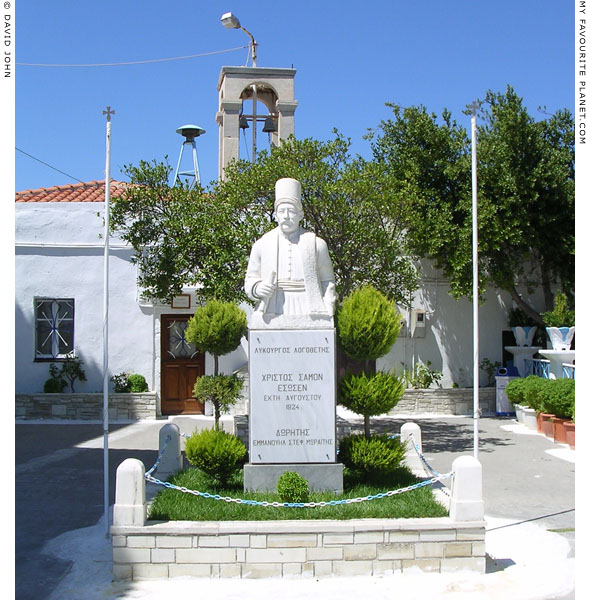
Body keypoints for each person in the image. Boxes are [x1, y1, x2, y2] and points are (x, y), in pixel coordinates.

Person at [244, 177, 336, 329]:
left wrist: (328, 307)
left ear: (300, 214)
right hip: (274, 306)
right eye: (282, 211)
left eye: (292, 211)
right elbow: (250, 281)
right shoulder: (262, 244)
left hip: (309, 304)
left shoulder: (317, 244)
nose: (286, 215)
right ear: (275, 214)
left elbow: (327, 281)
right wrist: (258, 288)